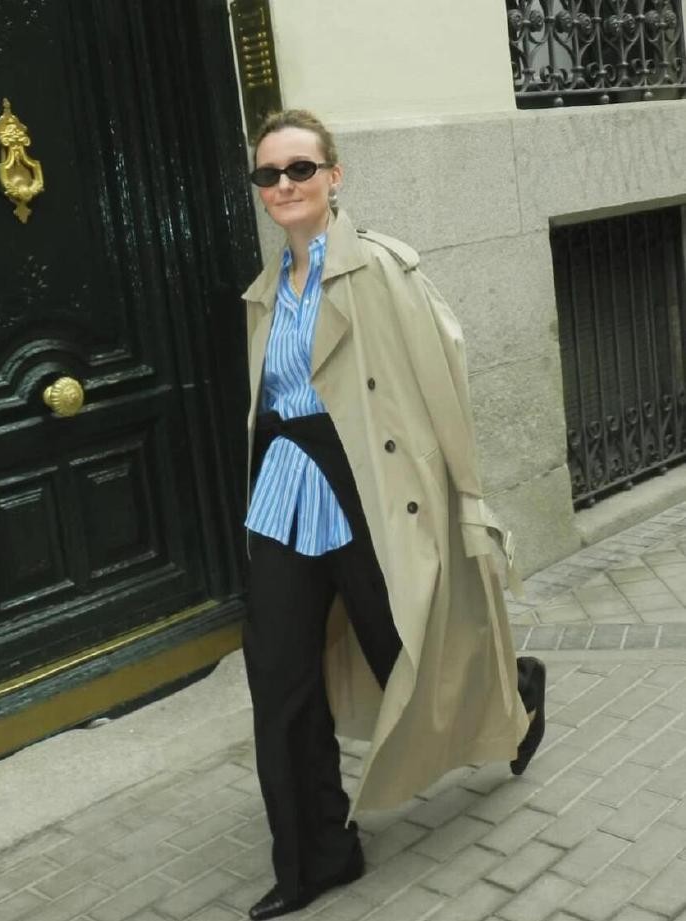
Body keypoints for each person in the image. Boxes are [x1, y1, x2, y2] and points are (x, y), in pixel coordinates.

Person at [241, 109, 546, 921]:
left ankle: (515, 695)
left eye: (300, 169)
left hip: (370, 483)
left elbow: (443, 377)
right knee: (278, 673)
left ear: (334, 176)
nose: (285, 185)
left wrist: (468, 499)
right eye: (269, 174)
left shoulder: (379, 267)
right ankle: (318, 855)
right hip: (286, 485)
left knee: (403, 647)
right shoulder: (264, 291)